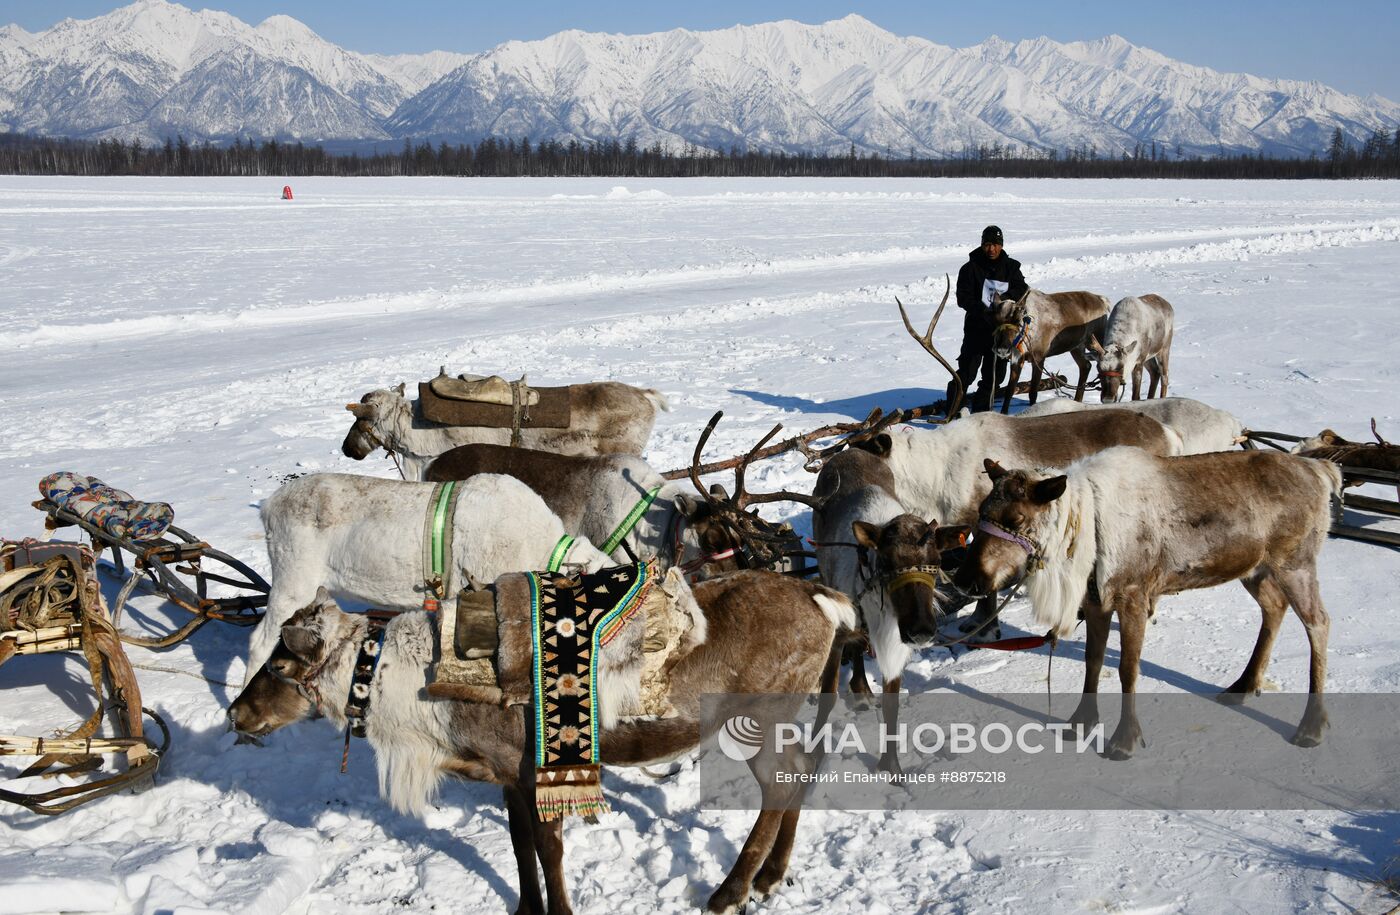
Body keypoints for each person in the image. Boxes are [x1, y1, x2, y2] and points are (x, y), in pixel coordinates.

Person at [947, 225, 1028, 413]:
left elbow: (1022, 288)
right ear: (982, 245)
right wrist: (983, 310)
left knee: (995, 376)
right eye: (988, 244)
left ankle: (981, 413)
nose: (992, 249)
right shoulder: (969, 268)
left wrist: (1005, 300)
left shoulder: (1011, 267)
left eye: (996, 245)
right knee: (967, 372)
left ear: (1001, 245)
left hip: (1001, 333)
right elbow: (963, 298)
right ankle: (953, 409)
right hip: (976, 328)